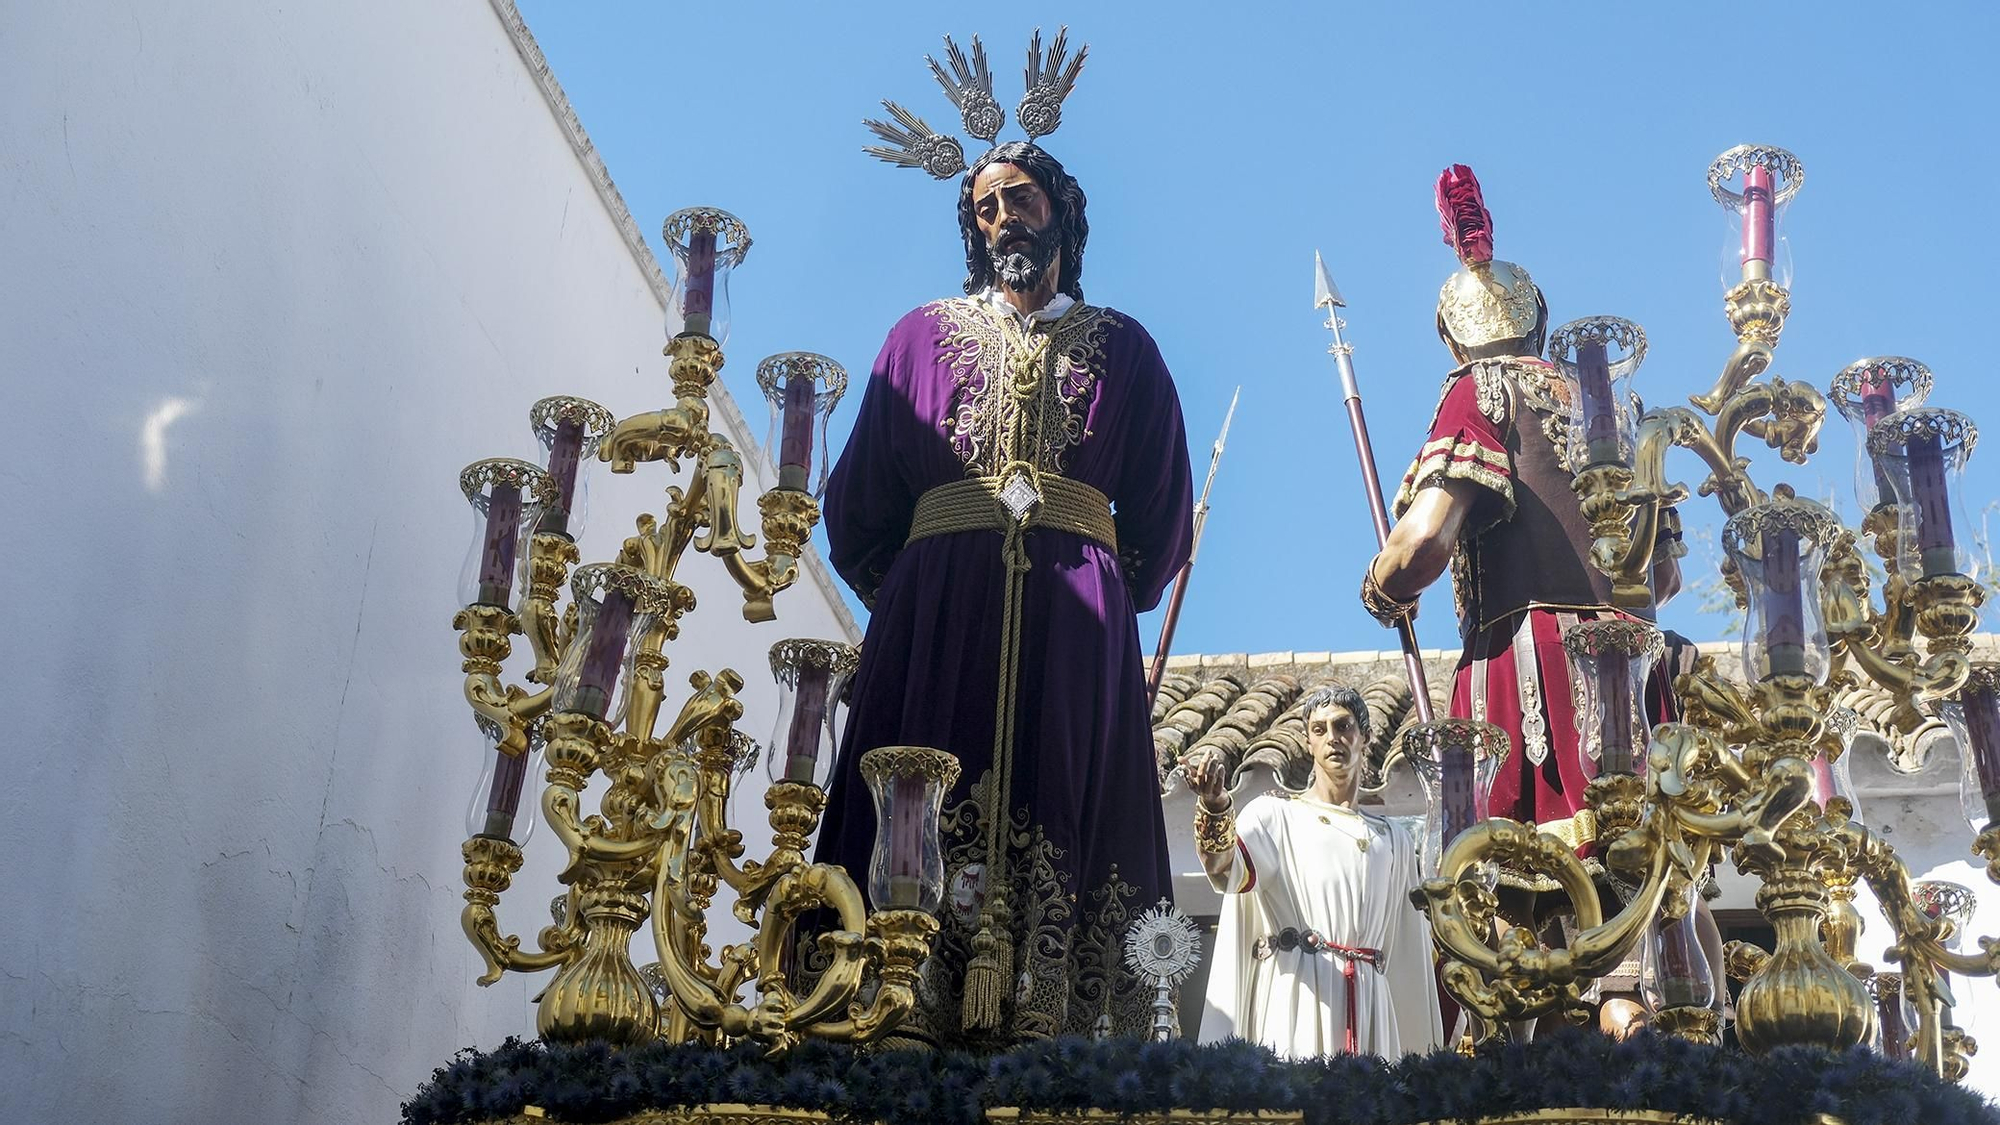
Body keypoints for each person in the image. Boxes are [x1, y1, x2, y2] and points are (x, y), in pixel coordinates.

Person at [811, 40, 1194, 1049]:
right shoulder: (915, 339)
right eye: (984, 208)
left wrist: (1105, 588)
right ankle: (898, 989)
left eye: (1018, 199)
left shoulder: (1127, 349)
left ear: (1059, 211)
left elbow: (1160, 517)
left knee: (1067, 797)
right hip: (938, 626)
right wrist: (923, 598)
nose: (1000, 220)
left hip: (1075, 635)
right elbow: (853, 508)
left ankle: (1056, 1007)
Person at [1359, 165, 1692, 1037]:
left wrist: (1381, 583)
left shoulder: (1481, 393)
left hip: (1530, 668)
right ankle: (1640, 1007)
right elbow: (1663, 580)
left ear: (1453, 337)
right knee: (1632, 869)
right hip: (1633, 673)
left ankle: (1537, 1037)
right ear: (1540, 321)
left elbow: (1427, 541)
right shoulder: (1614, 404)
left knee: (1513, 893)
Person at [1187, 685, 1443, 1058]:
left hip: (1371, 1005)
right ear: (1307, 742)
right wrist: (1215, 807)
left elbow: (1411, 954)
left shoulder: (1395, 840)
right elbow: (1226, 870)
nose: (1333, 739)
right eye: (1320, 730)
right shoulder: (1276, 816)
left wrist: (1422, 1050)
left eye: (1343, 726)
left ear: (1365, 737)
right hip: (1297, 1000)